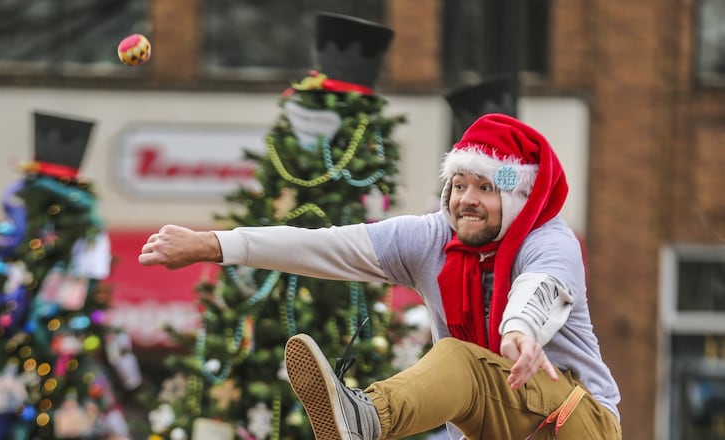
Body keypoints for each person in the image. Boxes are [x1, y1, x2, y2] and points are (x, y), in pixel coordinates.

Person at [139, 113, 622, 439]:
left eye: (485, 187)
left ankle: (367, 416)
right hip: (491, 428)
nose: (465, 200)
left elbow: (543, 287)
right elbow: (324, 244)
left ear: (518, 199)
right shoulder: (429, 238)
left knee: (459, 359)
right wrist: (212, 245)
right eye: (458, 185)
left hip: (577, 421)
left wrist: (519, 330)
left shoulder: (548, 241)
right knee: (464, 370)